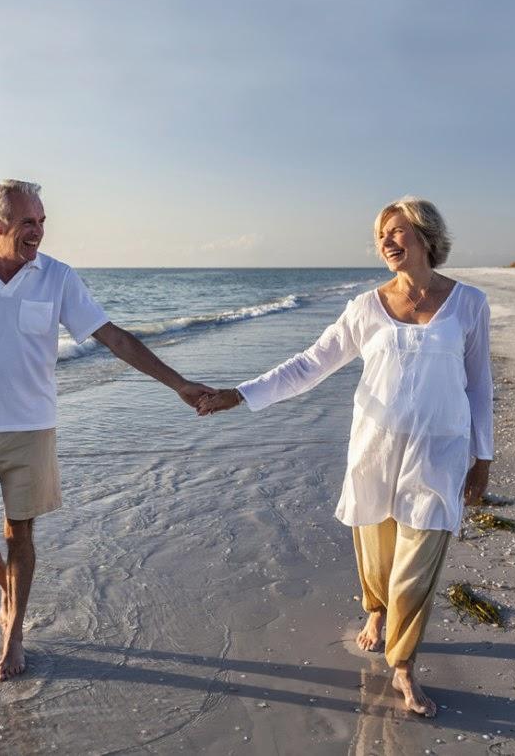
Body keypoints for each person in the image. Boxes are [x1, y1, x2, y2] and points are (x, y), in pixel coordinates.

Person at [0, 179, 214, 682]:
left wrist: (176, 383)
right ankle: (8, 586)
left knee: (19, 532)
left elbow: (113, 338)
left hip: (31, 430)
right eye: (28, 223)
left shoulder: (57, 277)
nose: (38, 232)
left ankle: (14, 630)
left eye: (42, 222)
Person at [198, 196, 493, 717]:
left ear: (425, 237)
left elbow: (479, 387)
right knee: (377, 559)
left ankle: (403, 666)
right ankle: (374, 611)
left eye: (397, 231)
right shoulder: (364, 307)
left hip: (440, 451)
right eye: (381, 234)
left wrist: (483, 456)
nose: (386, 242)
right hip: (375, 451)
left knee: (416, 564)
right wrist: (240, 394)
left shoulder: (468, 304)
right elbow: (310, 364)